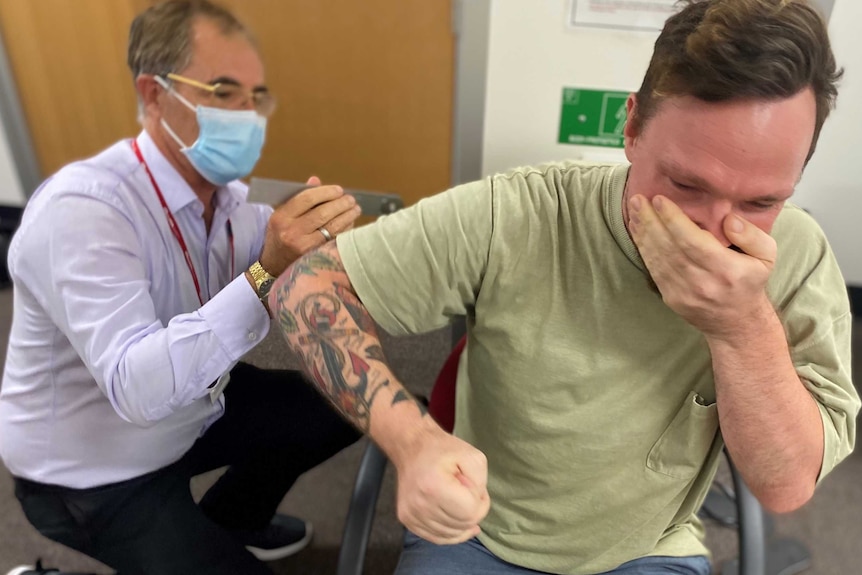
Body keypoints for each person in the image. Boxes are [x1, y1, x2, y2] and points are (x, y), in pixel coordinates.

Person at [269, 1, 860, 574]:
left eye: (761, 202)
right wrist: (411, 440)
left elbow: (784, 487)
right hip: (479, 533)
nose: (712, 232)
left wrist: (741, 326)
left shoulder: (798, 254)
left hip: (647, 547)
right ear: (630, 127)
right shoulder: (519, 212)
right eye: (685, 184)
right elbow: (305, 288)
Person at [0, 1, 362, 574]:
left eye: (254, 96)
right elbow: (137, 389)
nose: (248, 116)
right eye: (223, 92)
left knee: (338, 406)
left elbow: (295, 256)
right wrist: (268, 267)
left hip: (190, 411)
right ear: (153, 95)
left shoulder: (226, 199)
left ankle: (229, 526)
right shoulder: (84, 211)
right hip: (90, 470)